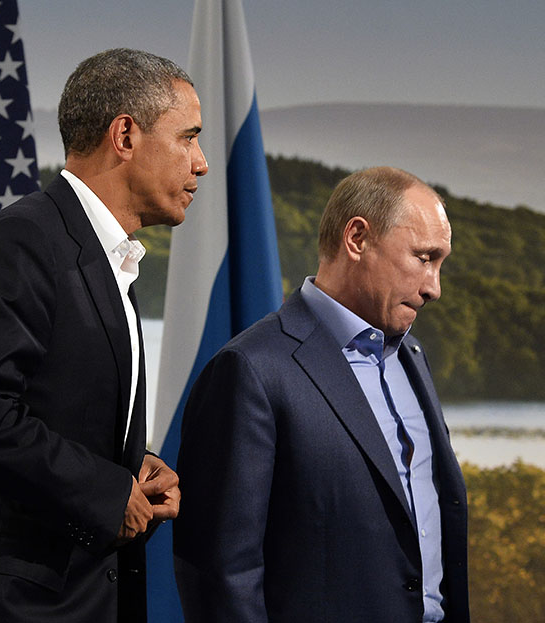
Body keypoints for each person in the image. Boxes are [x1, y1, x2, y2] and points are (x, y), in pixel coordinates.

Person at [0, 48, 207, 622]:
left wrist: (130, 467)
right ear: (126, 135)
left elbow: (54, 408)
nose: (201, 162)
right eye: (187, 137)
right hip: (6, 607)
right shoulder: (22, 243)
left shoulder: (105, 258)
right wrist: (105, 493)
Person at [174, 167, 470, 622]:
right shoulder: (251, 370)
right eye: (424, 257)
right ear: (357, 239)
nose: (435, 287)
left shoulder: (412, 354)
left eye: (441, 263)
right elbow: (222, 575)